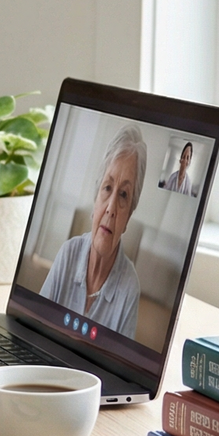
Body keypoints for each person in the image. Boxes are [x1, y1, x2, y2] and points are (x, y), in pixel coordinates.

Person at [38, 123, 146, 337]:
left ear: (129, 216)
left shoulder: (129, 287)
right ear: (96, 197)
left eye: (123, 195)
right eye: (107, 188)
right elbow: (34, 327)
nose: (111, 208)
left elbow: (120, 367)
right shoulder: (69, 252)